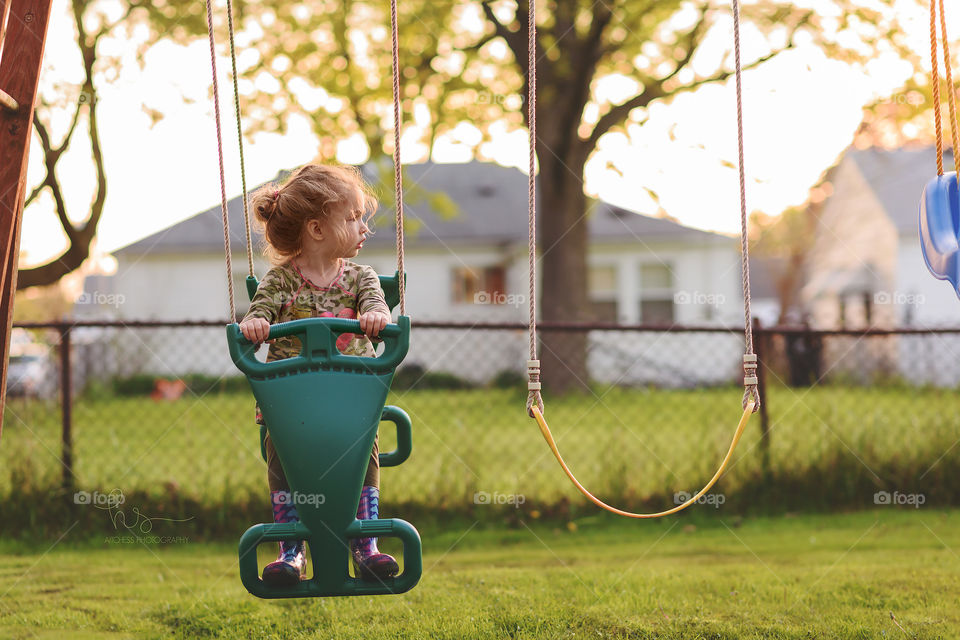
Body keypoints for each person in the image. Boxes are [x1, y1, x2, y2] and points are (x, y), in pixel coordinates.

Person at [239, 163, 397, 587]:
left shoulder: (360, 277)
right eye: (353, 217)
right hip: (290, 407)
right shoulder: (281, 280)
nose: (364, 227)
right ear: (316, 228)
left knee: (364, 460)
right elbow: (259, 314)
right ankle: (291, 549)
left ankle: (366, 544)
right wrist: (256, 325)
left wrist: (376, 316)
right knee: (284, 464)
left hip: (352, 403)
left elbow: (376, 304)